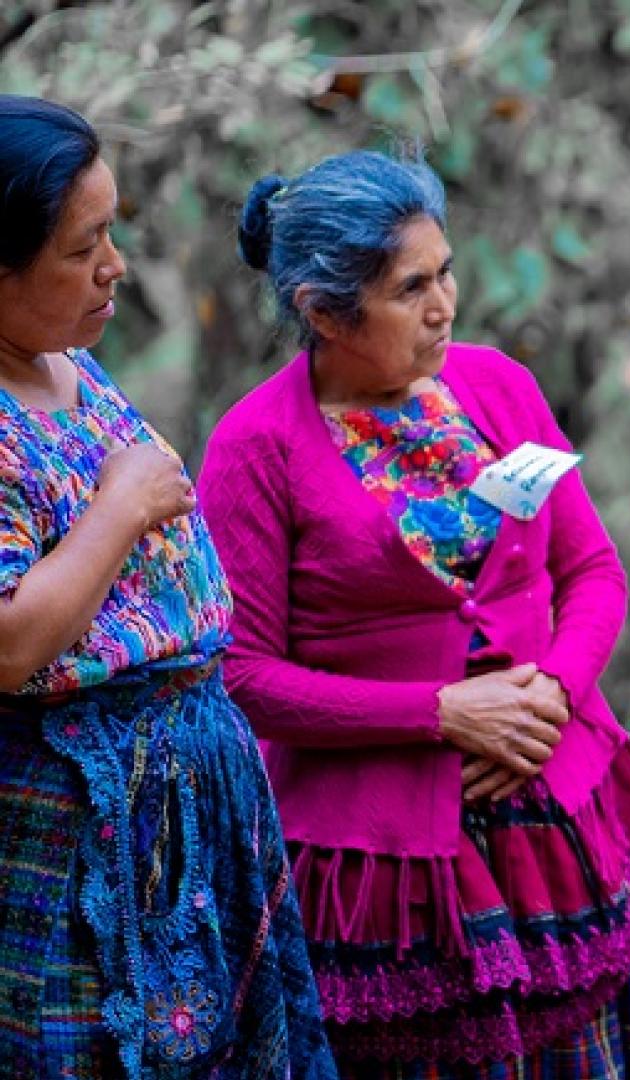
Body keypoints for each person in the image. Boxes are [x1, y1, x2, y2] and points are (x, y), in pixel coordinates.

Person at [199, 149, 630, 1077]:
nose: (444, 305)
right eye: (410, 288)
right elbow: (243, 675)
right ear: (324, 312)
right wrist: (441, 715)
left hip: (552, 820)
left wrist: (548, 697)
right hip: (385, 870)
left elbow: (591, 571)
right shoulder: (256, 447)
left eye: (446, 271)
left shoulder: (497, 388)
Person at [0, 95, 335, 1077]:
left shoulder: (64, 362)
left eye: (114, 231)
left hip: (187, 807)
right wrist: (122, 504)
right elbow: (12, 643)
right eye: (81, 247)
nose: (114, 266)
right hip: (76, 832)